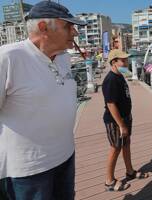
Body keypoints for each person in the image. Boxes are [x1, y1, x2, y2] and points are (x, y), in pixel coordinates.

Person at [0, 1, 86, 200]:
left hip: (65, 156)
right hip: (28, 171)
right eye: (68, 26)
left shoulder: (64, 58)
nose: (75, 33)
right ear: (43, 27)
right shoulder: (8, 58)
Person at [102, 49, 138, 191]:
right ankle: (109, 181)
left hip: (125, 118)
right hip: (115, 121)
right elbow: (110, 104)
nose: (126, 62)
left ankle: (130, 172)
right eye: (122, 60)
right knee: (115, 147)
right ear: (114, 62)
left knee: (126, 144)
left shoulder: (120, 75)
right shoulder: (110, 80)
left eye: (126, 59)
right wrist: (121, 125)